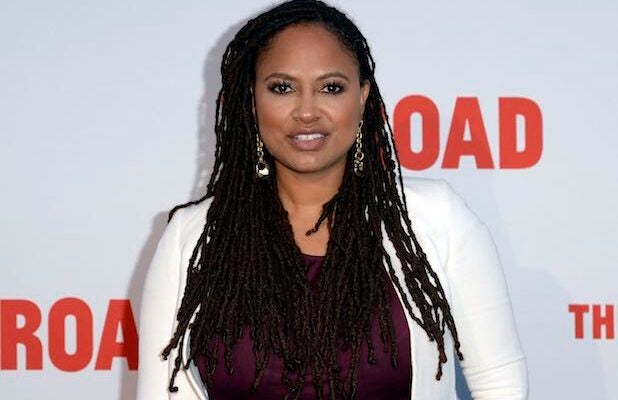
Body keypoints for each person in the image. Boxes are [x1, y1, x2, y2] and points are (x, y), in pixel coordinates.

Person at [136, 1, 528, 399]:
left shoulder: (435, 218)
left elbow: (500, 385)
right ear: (252, 101)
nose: (307, 111)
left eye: (331, 87)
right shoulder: (192, 238)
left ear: (362, 96)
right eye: (282, 88)